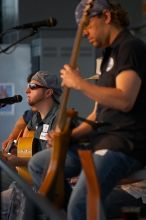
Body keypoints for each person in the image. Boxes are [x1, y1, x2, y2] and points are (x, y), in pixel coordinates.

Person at [28, 0, 146, 219]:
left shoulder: (130, 47)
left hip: (123, 144)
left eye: (87, 26)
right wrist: (68, 136)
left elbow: (125, 100)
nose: (84, 34)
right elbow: (98, 114)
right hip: (101, 140)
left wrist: (80, 83)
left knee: (80, 205)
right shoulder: (109, 57)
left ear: (107, 17)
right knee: (38, 164)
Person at [1, 70, 62, 219]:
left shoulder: (59, 118)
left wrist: (19, 161)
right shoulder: (36, 119)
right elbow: (24, 143)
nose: (27, 90)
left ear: (48, 93)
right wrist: (13, 147)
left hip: (41, 186)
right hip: (27, 180)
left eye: (33, 86)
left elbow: (53, 161)